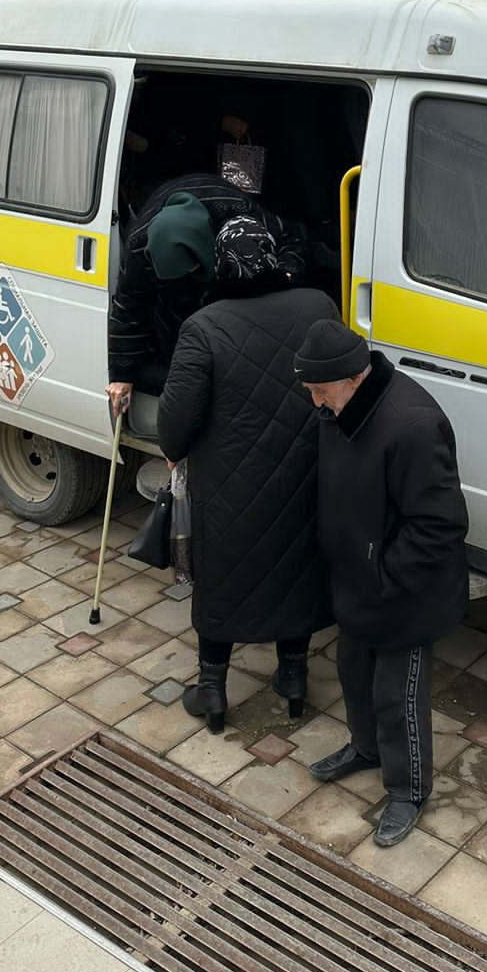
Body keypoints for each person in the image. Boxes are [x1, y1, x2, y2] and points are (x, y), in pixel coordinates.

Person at [157, 218, 338, 732]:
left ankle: (212, 691)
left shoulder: (204, 326)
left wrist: (174, 451)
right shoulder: (317, 305)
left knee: (223, 578)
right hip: (305, 474)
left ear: (221, 264)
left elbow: (175, 422)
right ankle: (294, 679)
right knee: (296, 569)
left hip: (229, 484)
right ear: (272, 257)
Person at [294, 319, 469, 848]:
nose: (315, 403)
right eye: (310, 391)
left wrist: (384, 574)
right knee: (353, 671)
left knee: (399, 694)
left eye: (321, 391)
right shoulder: (338, 410)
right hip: (356, 580)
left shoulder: (412, 426)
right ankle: (365, 748)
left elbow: (440, 524)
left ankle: (408, 790)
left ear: (354, 378)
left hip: (403, 593)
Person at [107, 171, 305, 411]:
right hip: (172, 298)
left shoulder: (236, 212)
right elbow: (129, 305)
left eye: (192, 270)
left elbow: (292, 238)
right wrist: (122, 374)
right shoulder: (140, 246)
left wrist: (285, 277)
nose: (189, 279)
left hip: (233, 277)